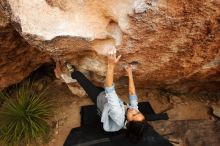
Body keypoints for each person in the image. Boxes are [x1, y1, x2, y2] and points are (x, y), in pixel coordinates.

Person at [55, 50, 147, 144]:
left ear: (129, 122)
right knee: (98, 87)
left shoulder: (118, 114)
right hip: (105, 97)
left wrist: (111, 65)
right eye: (138, 112)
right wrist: (130, 74)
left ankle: (72, 72)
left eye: (134, 115)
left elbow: (109, 89)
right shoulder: (133, 112)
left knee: (82, 80)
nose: (134, 110)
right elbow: (132, 94)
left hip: (99, 99)